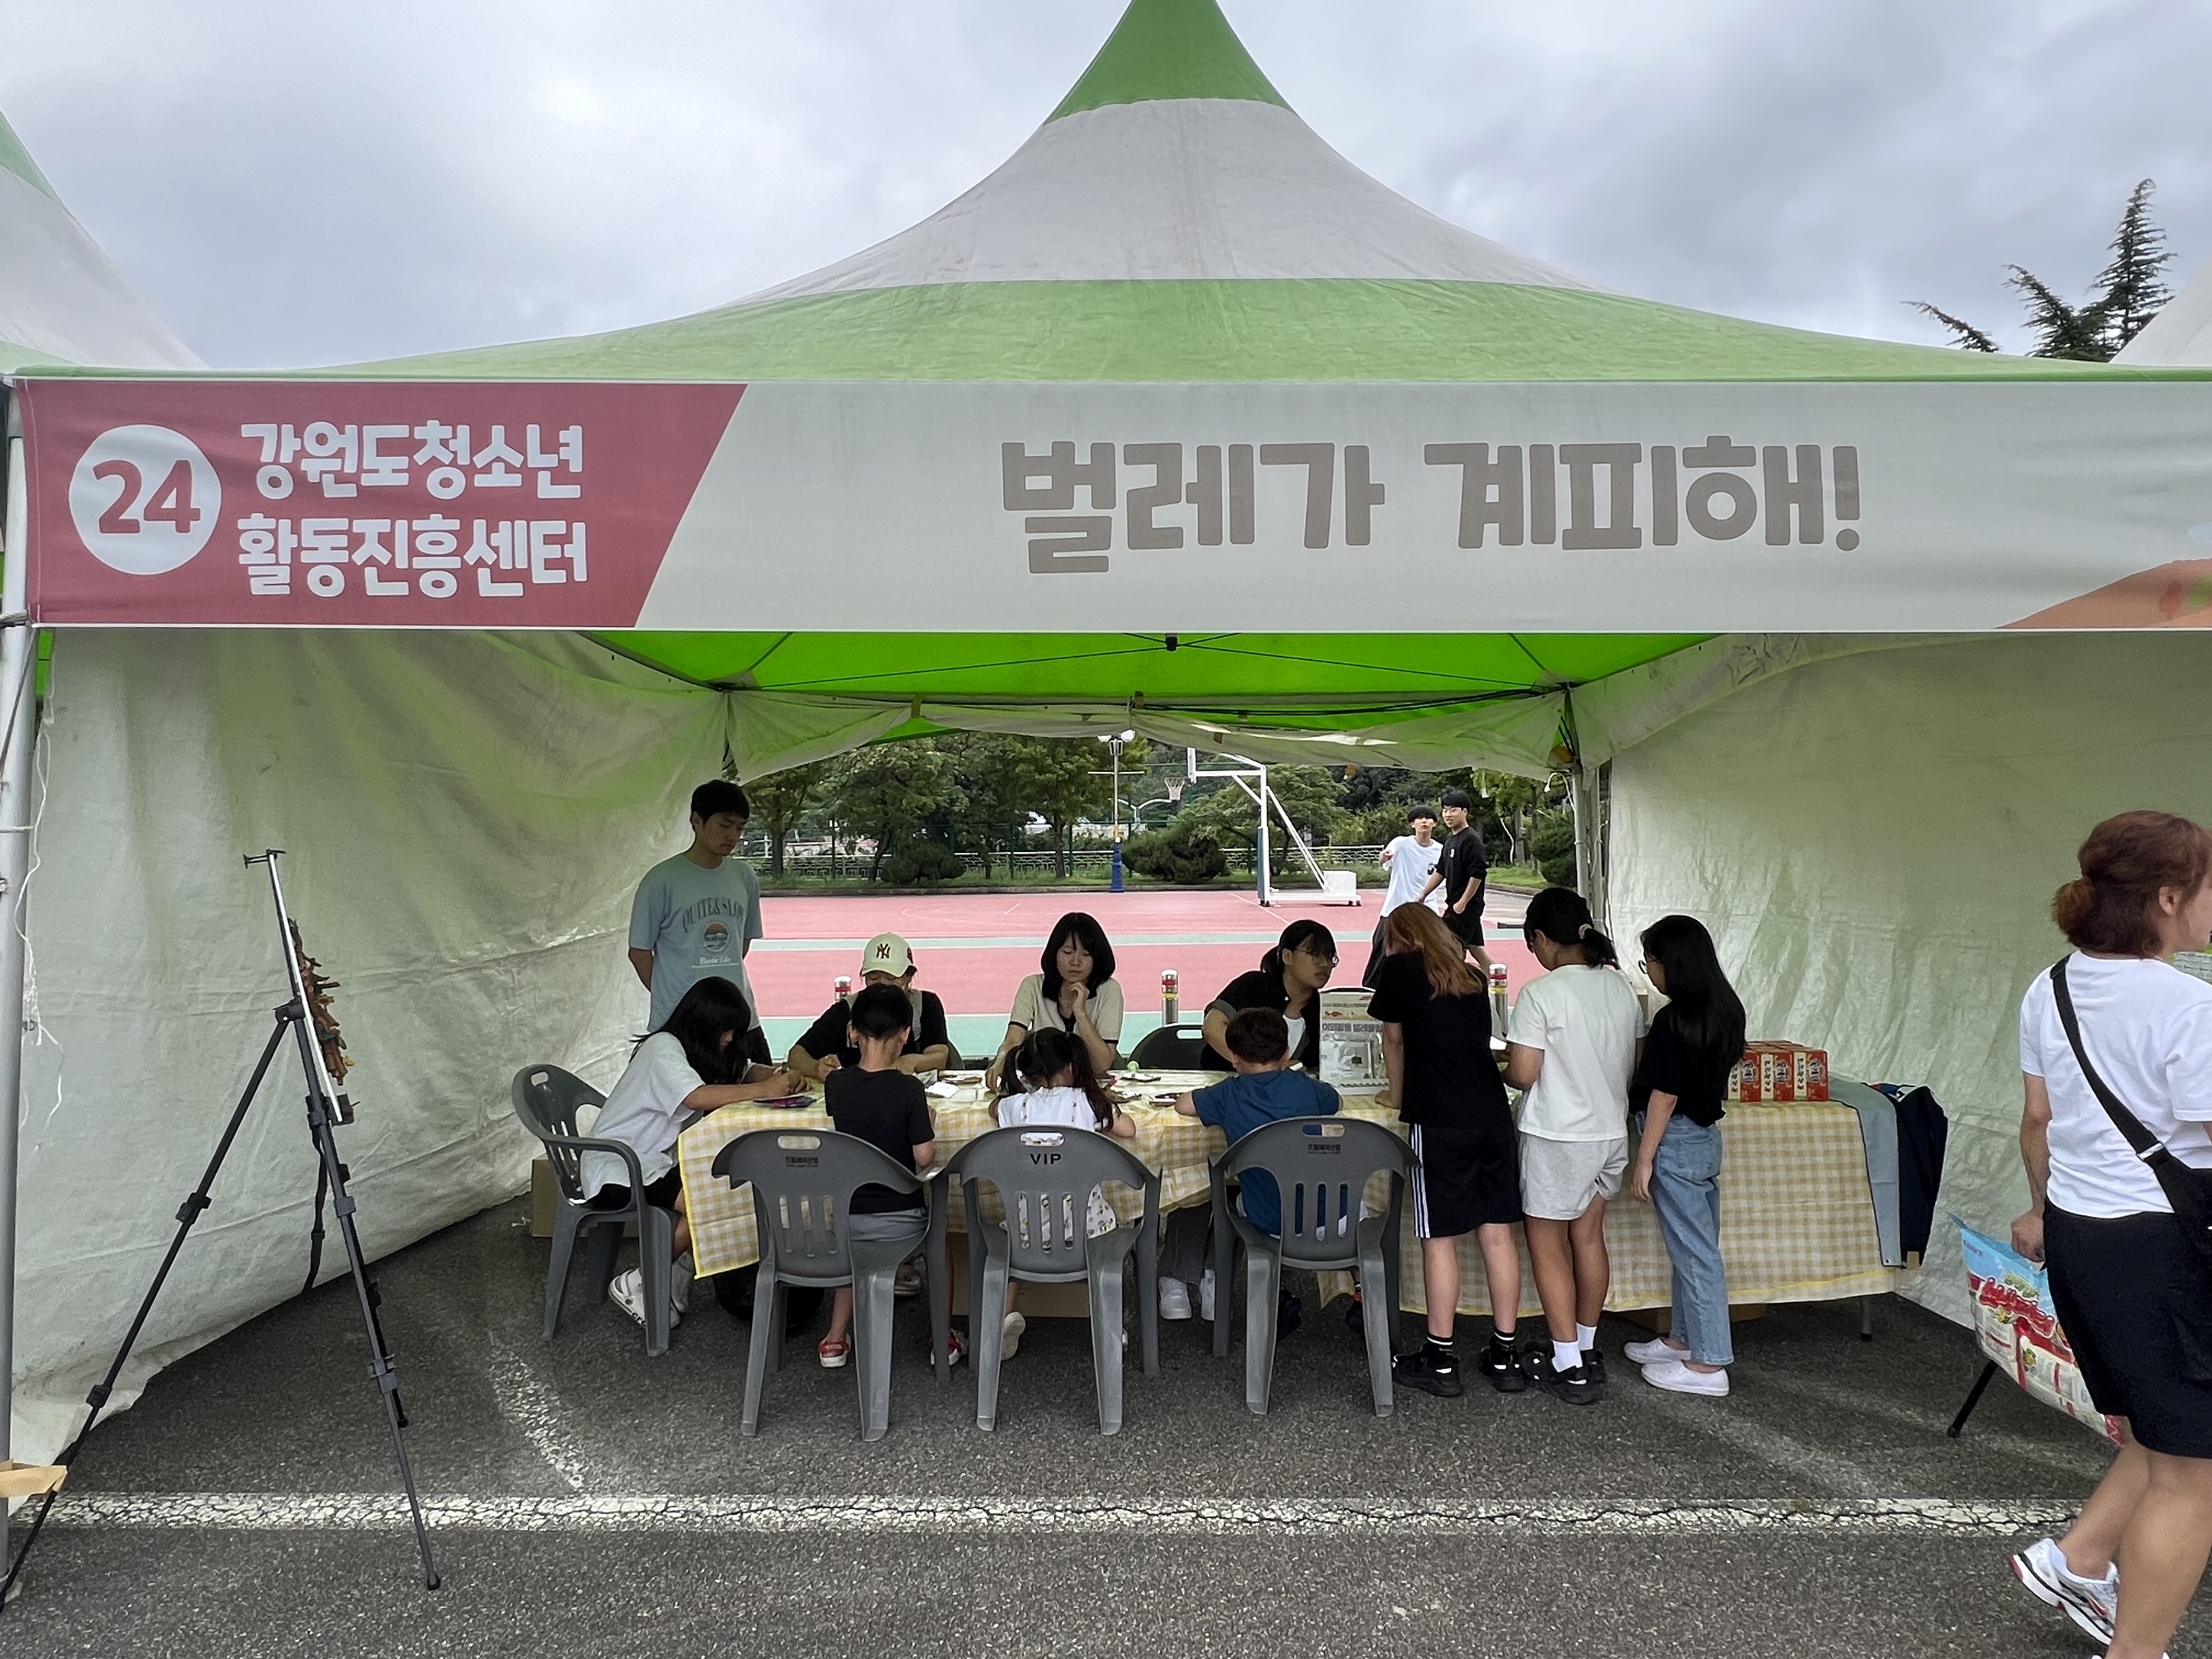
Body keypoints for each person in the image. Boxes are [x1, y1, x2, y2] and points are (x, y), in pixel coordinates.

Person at [2008, 810, 2212, 1659]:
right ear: (2168, 897)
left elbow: (2036, 1121)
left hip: (2083, 1239)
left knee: (2175, 1432)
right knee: (2193, 1476)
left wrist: (2037, 1207)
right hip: (2167, 1250)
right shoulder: (2188, 1005)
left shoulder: (2050, 985)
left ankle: (2080, 1557)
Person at [1369, 902, 1525, 1398]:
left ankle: (1440, 1356)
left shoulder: (1398, 971)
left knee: (1440, 1238)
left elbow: (1394, 1043)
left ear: (1400, 938)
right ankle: (1505, 1353)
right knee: (1496, 1233)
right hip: (1493, 1115)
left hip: (1439, 1118)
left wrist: (1395, 1096)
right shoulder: (1473, 977)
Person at [585, 977, 802, 1331]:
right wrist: (767, 1090)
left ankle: (674, 1278)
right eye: (726, 1031)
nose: (730, 1039)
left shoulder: (695, 1050)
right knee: (708, 1204)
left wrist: (783, 1074)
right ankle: (640, 1280)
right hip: (619, 1165)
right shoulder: (662, 1048)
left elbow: (744, 1070)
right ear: (703, 1022)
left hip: (653, 1161)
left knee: (720, 1193)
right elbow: (696, 1098)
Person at [1504, 886, 1645, 1406]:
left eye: (1532, 944)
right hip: (1609, 1133)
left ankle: (1567, 1363)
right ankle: (1586, 1347)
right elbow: (1634, 1060)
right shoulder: (1621, 989)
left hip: (1559, 1135)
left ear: (1541, 938)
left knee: (1547, 1247)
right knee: (1588, 1240)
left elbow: (1523, 1074)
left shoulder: (1542, 994)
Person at [1622, 914, 1746, 1397]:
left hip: (1674, 1140)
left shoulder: (1673, 1020)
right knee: (1691, 1249)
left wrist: (1646, 1158)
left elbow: (1664, 1095)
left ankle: (1709, 1363)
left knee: (1696, 1256)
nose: (1649, 970)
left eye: (1650, 961)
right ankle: (1682, 1339)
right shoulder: (1725, 1008)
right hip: (1704, 1140)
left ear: (1671, 963)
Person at [1173, 1007, 1342, 1340]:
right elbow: (1335, 1100)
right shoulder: (1307, 1088)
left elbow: (1184, 1105)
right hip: (1335, 1220)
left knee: (1237, 1200)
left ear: (1234, 1059)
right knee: (1362, 1208)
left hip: (1269, 1220)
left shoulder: (1228, 1093)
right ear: (1287, 1053)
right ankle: (1361, 1288)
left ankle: (1273, 1289)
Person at [989, 1026, 1139, 1357]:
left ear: (1026, 1072)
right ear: (1071, 1066)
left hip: (1025, 1234)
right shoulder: (1090, 1104)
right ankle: (1110, 1323)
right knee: (1109, 1240)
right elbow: (1128, 1129)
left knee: (1010, 1234)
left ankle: (1003, 1319)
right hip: (1087, 1230)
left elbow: (992, 1111)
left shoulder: (1015, 1108)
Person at [817, 984, 940, 1370]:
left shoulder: (836, 1085)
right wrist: (928, 1125)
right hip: (902, 1224)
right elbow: (924, 1158)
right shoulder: (909, 1089)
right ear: (905, 1034)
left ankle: (836, 1337)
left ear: (853, 1031)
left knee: (856, 1254)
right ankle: (942, 1335)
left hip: (846, 1223)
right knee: (945, 1239)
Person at [628, 781, 765, 1042]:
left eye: (740, 828)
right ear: (696, 821)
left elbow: (741, 945)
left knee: (761, 1079)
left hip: (737, 1016)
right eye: (724, 825)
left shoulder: (744, 877)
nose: (733, 836)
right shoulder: (661, 881)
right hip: (681, 1022)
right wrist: (672, 998)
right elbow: (639, 952)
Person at [984, 912, 1124, 1088]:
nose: (1075, 962)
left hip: (1091, 1090)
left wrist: (1081, 1013)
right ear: (1054, 953)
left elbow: (1102, 1064)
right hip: (1043, 1088)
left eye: (1086, 954)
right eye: (1068, 952)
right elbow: (1013, 1039)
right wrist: (1002, 1060)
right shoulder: (1033, 986)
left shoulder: (1109, 990)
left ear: (1097, 958)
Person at [787, 933, 951, 1080]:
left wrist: (911, 1062)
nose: (882, 985)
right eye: (874, 978)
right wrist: (818, 1069)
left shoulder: (926, 1005)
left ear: (909, 977)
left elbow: (939, 1056)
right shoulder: (848, 1009)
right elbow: (796, 1056)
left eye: (892, 979)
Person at [1201, 918, 1337, 1074]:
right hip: (1226, 1085)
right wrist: (1254, 1069)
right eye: (1315, 954)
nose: (1324, 964)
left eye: (1330, 957)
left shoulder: (1325, 1011)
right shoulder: (1253, 986)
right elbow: (1212, 1028)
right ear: (1288, 956)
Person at [1361, 805, 1446, 990]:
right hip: (1395, 907)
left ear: (1435, 824)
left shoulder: (1441, 850)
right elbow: (1384, 860)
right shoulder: (1401, 843)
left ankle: (1429, 989)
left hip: (1426, 911)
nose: (1424, 822)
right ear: (1412, 824)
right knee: (1383, 951)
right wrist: (1384, 857)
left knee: (1430, 953)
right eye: (1419, 818)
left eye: (1428, 818)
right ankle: (1370, 990)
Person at [1416, 788, 1497, 979]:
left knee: (1449, 946)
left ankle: (1459, 987)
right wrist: (1423, 894)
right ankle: (1496, 980)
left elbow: (1477, 874)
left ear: (1465, 812)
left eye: (1453, 810)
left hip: (1466, 908)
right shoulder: (1451, 840)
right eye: (1445, 810)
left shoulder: (1471, 840)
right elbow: (1441, 871)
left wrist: (1463, 902)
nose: (1448, 815)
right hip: (1455, 904)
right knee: (1477, 950)